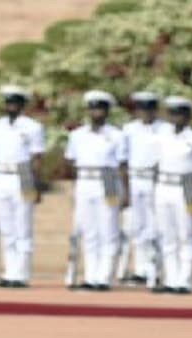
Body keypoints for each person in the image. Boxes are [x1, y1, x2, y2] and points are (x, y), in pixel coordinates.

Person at [63, 89, 127, 291]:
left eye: (100, 108)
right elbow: (71, 163)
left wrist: (125, 192)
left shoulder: (117, 135)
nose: (96, 112)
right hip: (85, 181)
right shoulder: (77, 135)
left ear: (107, 111)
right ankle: (91, 275)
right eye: (93, 108)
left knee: (108, 229)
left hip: (107, 180)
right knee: (88, 231)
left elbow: (123, 166)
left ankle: (104, 276)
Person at [0, 85, 44, 288]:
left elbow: (36, 159)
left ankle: (21, 273)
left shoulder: (32, 127)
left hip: (23, 176)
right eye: (8, 103)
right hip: (0, 176)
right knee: (4, 226)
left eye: (15, 103)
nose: (11, 106)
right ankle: (9, 271)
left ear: (22, 105)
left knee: (22, 226)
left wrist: (36, 185)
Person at [153, 96, 192, 294]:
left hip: (186, 186)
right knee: (167, 235)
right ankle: (171, 278)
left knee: (186, 234)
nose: (176, 118)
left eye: (181, 114)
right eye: (173, 114)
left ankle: (184, 279)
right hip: (163, 185)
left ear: (188, 116)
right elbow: (155, 164)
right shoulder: (161, 135)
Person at [120, 91, 168, 283]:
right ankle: (140, 268)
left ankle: (155, 268)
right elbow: (123, 159)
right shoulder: (129, 129)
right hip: (134, 178)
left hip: (155, 179)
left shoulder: (165, 129)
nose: (145, 112)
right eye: (141, 108)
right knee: (135, 225)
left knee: (155, 226)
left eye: (149, 108)